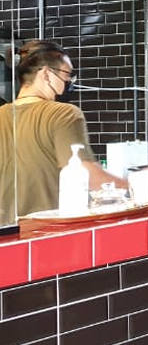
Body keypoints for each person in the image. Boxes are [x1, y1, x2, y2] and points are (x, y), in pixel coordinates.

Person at [0, 40, 127, 222]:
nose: (69, 82)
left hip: (6, 233)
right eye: (67, 74)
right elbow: (89, 176)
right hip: (47, 229)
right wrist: (137, 187)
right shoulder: (63, 113)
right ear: (46, 74)